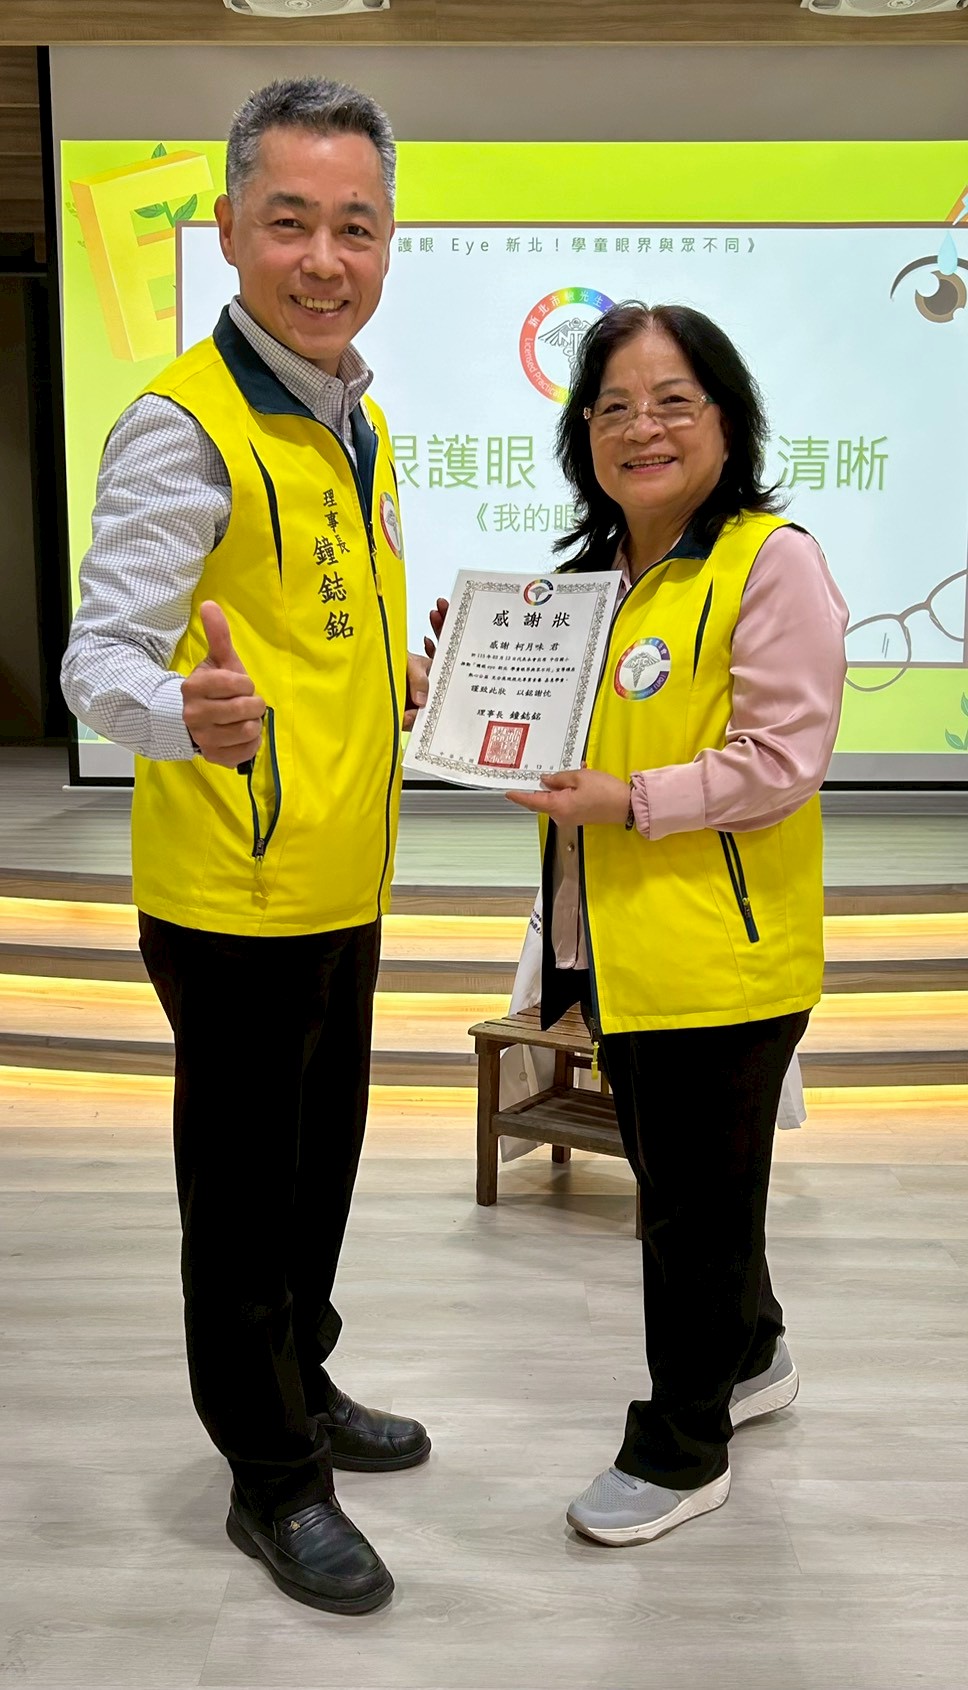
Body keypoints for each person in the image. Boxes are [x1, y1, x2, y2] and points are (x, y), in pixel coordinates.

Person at [61, 78, 434, 1616]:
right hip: (234, 892)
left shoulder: (358, 416)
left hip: (341, 874)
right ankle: (270, 1473)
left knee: (319, 1169)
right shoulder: (184, 423)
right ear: (226, 229)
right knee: (243, 1198)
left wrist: (401, 676)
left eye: (356, 225)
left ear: (388, 239)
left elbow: (314, 629)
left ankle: (306, 1375)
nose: (324, 258)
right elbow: (101, 660)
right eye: (290, 221)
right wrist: (183, 712)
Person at [507, 301, 849, 1546]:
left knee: (687, 1213)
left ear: (724, 420)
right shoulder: (587, 584)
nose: (638, 428)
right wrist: (471, 682)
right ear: (581, 434)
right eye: (610, 406)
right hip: (617, 940)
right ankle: (748, 1355)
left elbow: (781, 758)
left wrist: (629, 800)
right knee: (686, 1184)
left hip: (722, 950)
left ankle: (680, 1446)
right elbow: (563, 752)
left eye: (669, 402)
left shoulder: (769, 561)